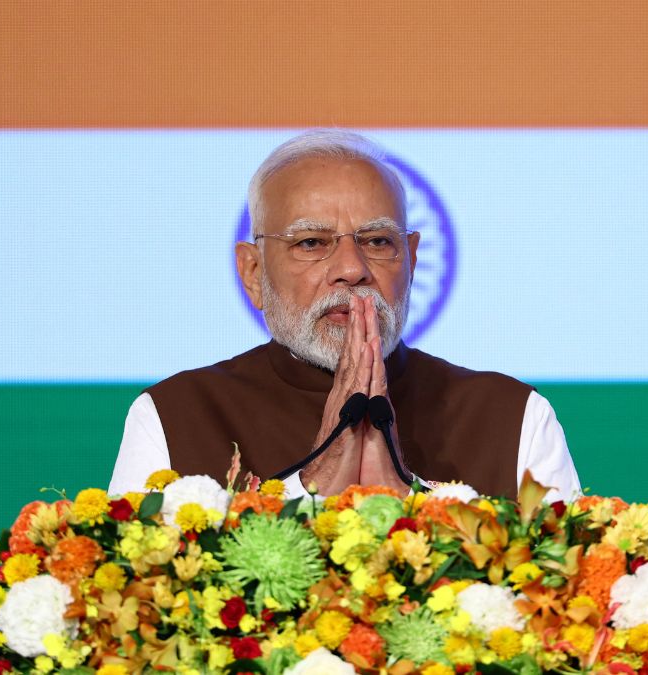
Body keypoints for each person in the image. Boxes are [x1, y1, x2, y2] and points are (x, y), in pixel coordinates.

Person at [109, 130, 580, 500]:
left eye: (378, 242)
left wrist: (404, 503)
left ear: (411, 261)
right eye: (311, 243)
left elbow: (563, 609)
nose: (353, 270)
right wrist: (311, 486)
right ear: (253, 272)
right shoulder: (174, 417)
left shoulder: (511, 417)